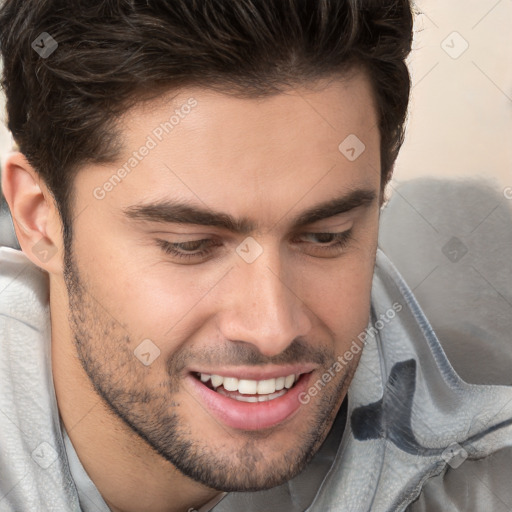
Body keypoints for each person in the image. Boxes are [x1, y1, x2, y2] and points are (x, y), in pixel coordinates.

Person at [0, 1, 511, 511]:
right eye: (190, 245)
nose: (272, 328)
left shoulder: (488, 471)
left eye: (326, 236)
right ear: (38, 217)